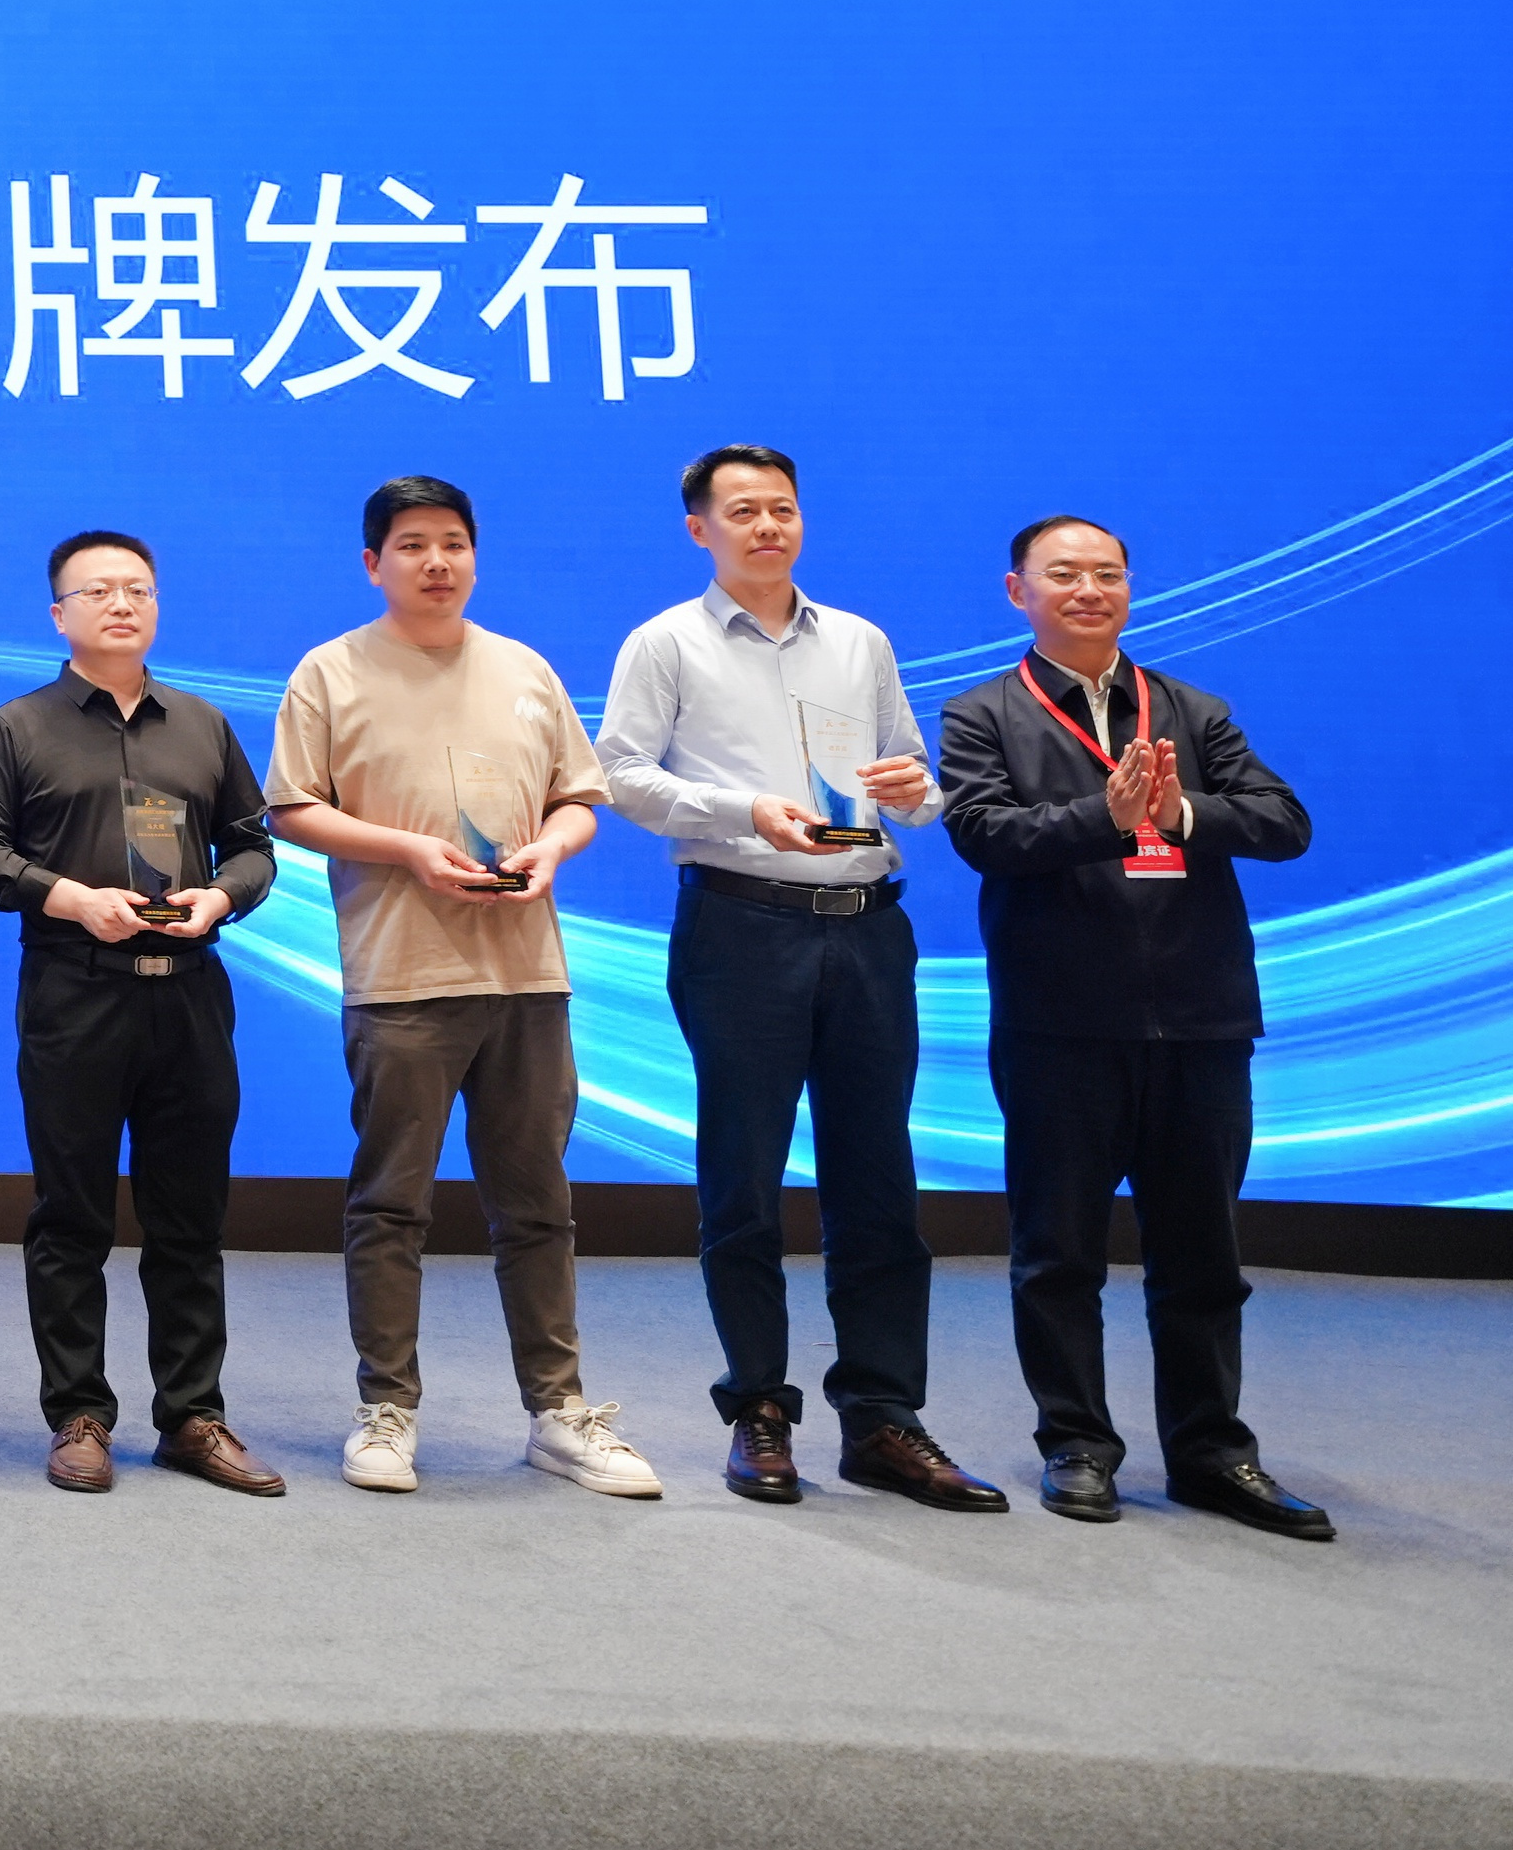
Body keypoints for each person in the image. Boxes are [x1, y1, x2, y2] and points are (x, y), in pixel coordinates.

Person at [597, 445, 999, 1512]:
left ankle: (883, 1416)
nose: (767, 525)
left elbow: (915, 784)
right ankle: (759, 1410)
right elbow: (619, 773)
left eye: (781, 507)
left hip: (867, 927)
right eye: (742, 511)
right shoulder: (666, 641)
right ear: (700, 529)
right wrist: (743, 810)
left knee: (880, 1180)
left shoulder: (859, 639)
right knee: (743, 1176)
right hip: (742, 924)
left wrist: (914, 791)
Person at [264, 474, 658, 1500]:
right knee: (391, 1203)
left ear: (475, 555)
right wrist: (409, 849)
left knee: (537, 1203)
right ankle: (386, 1409)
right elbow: (292, 808)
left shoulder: (525, 667)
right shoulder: (330, 670)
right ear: (373, 563)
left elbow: (579, 799)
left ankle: (558, 1411)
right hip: (401, 976)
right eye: (411, 544)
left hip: (526, 974)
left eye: (452, 542)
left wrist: (551, 849)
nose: (435, 561)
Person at [943, 514, 1324, 1539]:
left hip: (1201, 1020)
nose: (1088, 589)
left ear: (1128, 587)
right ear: (1017, 590)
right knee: (1057, 1253)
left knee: (1202, 1255)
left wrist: (1180, 813)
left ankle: (1211, 1450)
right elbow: (984, 834)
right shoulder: (982, 713)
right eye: (1064, 573)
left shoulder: (1191, 709)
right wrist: (1105, 819)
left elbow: (1284, 822)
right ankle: (1076, 1443)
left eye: (1107, 573)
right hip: (1059, 1025)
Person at [0, 530, 284, 1498]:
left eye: (137, 588)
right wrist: (68, 896)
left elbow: (253, 846)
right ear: (59, 613)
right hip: (74, 988)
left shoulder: (203, 724)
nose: (121, 603)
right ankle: (79, 1414)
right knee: (71, 1214)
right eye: (97, 590)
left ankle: (192, 1414)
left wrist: (222, 895)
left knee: (190, 1215)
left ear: (157, 605)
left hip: (190, 993)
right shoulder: (18, 725)